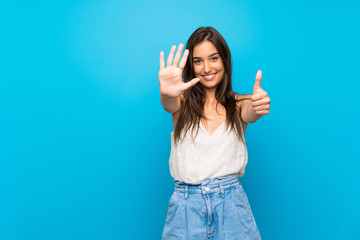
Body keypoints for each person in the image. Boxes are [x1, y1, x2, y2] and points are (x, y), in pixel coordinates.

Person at [158, 26, 270, 240]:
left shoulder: (240, 104)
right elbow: (169, 103)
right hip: (185, 209)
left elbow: (252, 111)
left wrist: (258, 106)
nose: (207, 68)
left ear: (224, 60)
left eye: (213, 58)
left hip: (231, 207)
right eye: (198, 61)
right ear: (191, 66)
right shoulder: (181, 103)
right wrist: (166, 93)